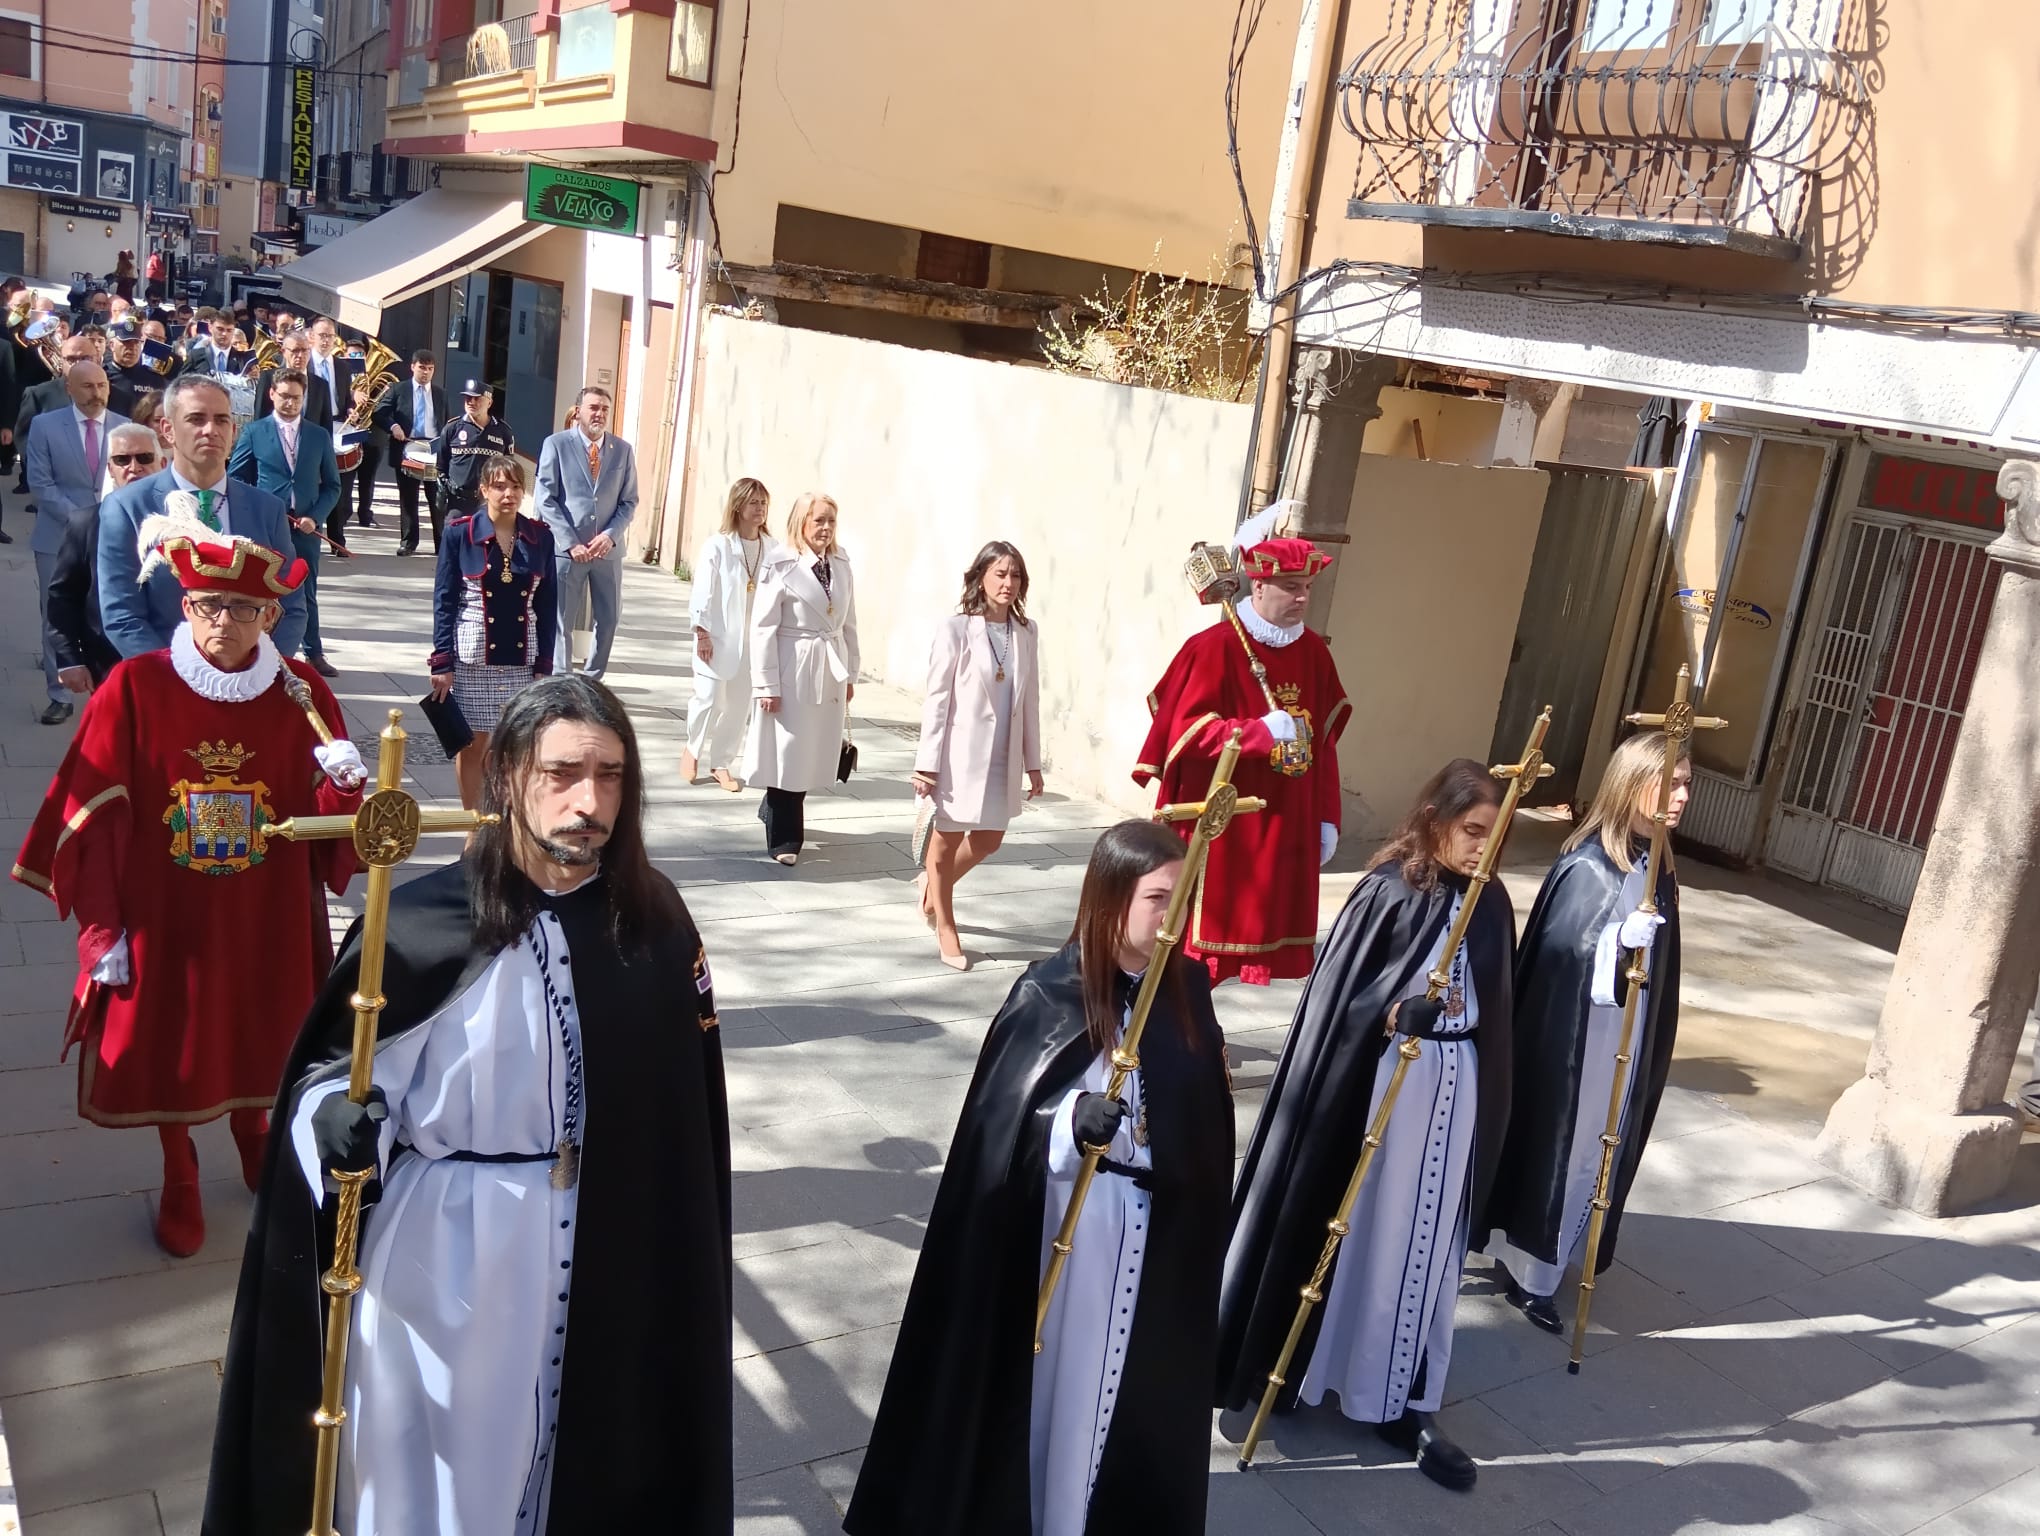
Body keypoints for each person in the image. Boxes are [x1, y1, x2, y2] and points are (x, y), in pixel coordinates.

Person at [204, 675, 734, 1536]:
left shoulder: (653, 923)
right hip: (447, 1262)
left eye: (609, 776)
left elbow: (685, 1116)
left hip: (611, 1245)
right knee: (439, 1483)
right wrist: (332, 1123)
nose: (588, 802)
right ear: (510, 776)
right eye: (562, 773)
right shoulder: (420, 924)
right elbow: (331, 1078)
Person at [846, 819, 1233, 1536]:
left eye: (1185, 896)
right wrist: (1065, 1120)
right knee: (1062, 1395)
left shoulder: (1185, 986)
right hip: (1068, 1235)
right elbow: (1000, 1129)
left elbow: (1203, 1116)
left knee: (1131, 1395)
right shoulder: (1048, 992)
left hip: (1153, 1237)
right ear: (1111, 900)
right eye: (1158, 898)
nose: (1174, 915)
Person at [12, 530, 364, 1256]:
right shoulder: (135, 686)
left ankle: (254, 1131)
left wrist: (344, 786)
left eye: (242, 608)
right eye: (207, 605)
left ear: (271, 616)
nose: (222, 622)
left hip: (268, 910)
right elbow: (92, 815)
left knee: (266, 1027)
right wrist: (101, 928)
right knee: (170, 1038)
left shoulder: (302, 691)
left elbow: (333, 830)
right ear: (185, 605)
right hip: (165, 911)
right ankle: (179, 1168)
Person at [1216, 759, 1517, 1492]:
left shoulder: (1492, 902)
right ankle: (1301, 1368)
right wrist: (1392, 1015)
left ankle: (1402, 1399)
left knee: (1424, 1248)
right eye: (1473, 829)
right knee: (1363, 1237)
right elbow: (1337, 1010)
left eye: (1496, 834)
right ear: (1436, 820)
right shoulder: (1388, 891)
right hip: (1384, 1094)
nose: (1483, 846)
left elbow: (1500, 1010)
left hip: (1456, 1089)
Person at [1484, 733, 1690, 1332]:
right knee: (1567, 1147)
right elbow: (1560, 955)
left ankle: (1555, 1251)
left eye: (1687, 784)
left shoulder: (1656, 865)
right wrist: (1615, 943)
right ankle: (1531, 1277)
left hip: (1624, 1033)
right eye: (1671, 783)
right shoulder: (1589, 866)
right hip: (1579, 1041)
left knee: (1601, 1146)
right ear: (1632, 785)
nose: (1682, 796)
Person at [1134, 531, 1350, 984]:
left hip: (1283, 821)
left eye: (1307, 587)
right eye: (1291, 586)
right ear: (1259, 585)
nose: (1302, 598)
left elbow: (1323, 746)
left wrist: (1327, 816)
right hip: (1221, 822)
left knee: (1257, 933)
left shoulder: (1314, 652)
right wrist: (1256, 733)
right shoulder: (1213, 647)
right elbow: (1185, 735)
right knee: (1191, 954)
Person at [99, 374, 308, 660]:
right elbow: (122, 615)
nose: (210, 430)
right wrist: (181, 675)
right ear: (168, 430)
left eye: (221, 420)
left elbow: (292, 606)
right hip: (164, 675)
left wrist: (262, 669)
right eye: (196, 419)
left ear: (233, 431)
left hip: (250, 677)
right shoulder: (127, 507)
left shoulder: (267, 509)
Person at [912, 541, 1045, 971]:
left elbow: (1030, 702)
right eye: (1000, 574)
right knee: (946, 841)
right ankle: (945, 924)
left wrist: (1033, 762)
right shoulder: (956, 629)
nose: (1008, 583)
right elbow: (937, 700)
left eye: (1015, 575)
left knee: (989, 840)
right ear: (981, 577)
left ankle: (931, 889)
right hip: (958, 755)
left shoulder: (1026, 632)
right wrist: (926, 764)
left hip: (1004, 755)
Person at [430, 455, 558, 809]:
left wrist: (545, 662)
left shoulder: (540, 537)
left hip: (521, 658)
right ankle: (474, 825)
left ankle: (506, 822)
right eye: (499, 486)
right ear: (484, 489)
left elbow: (548, 606)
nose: (508, 494)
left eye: (516, 486)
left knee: (516, 747)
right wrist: (442, 661)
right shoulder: (460, 533)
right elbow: (444, 599)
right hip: (474, 657)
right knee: (472, 746)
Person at [740, 492, 858, 866]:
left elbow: (849, 623)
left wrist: (851, 674)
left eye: (831, 521)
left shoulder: (841, 562)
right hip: (792, 666)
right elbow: (762, 629)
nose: (825, 528)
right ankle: (785, 837)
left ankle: (772, 809)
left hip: (829, 665)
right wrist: (766, 684)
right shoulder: (780, 563)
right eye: (818, 520)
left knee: (811, 751)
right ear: (801, 522)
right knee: (788, 751)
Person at [26, 362, 129, 723]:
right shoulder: (45, 426)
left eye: (101, 385)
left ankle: (114, 690)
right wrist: (84, 520)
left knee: (109, 612)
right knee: (56, 613)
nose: (96, 393)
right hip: (58, 536)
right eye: (87, 386)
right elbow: (41, 485)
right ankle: (59, 694)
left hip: (114, 538)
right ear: (68, 388)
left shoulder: (125, 428)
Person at [229, 367, 344, 677]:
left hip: (305, 529)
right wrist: (256, 512)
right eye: (284, 396)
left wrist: (315, 517)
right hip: (266, 528)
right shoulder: (255, 432)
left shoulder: (318, 435)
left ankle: (314, 652)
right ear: (272, 394)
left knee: (306, 592)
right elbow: (235, 478)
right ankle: (256, 648)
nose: (290, 403)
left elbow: (333, 486)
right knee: (261, 588)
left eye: (296, 397)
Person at [47, 421, 159, 694]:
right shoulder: (85, 523)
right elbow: (63, 595)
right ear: (110, 469)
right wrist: (69, 660)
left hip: (173, 660)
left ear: (163, 463)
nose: (134, 467)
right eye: (122, 460)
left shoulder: (185, 522)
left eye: (145, 458)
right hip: (107, 664)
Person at [535, 385, 637, 677]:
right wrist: (569, 542)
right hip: (569, 551)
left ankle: (593, 678)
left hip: (607, 552)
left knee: (609, 619)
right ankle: (562, 679)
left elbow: (629, 501)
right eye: (594, 408)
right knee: (561, 620)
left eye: (605, 409)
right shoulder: (556, 445)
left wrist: (610, 535)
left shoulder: (622, 450)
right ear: (578, 411)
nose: (599, 414)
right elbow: (546, 498)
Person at [682, 476, 775, 792]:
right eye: (753, 502)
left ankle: (721, 763)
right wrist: (702, 632)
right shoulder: (718, 545)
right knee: (707, 698)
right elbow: (703, 591)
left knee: (738, 706)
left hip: (754, 642)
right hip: (718, 637)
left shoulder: (773, 548)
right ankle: (692, 748)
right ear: (738, 506)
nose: (760, 508)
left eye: (763, 503)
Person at [373, 349, 447, 555]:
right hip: (407, 447)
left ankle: (441, 544)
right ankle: (409, 542)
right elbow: (378, 413)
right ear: (413, 367)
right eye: (422, 368)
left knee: (438, 499)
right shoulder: (399, 389)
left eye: (430, 369)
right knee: (408, 499)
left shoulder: (441, 394)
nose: (426, 373)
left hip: (433, 449)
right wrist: (393, 426)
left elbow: (445, 422)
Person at [436, 378, 515, 533]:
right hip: (457, 503)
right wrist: (443, 489)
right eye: (468, 398)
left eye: (477, 398)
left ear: (489, 402)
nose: (471, 402)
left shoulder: (503, 431)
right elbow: (441, 465)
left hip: (488, 503)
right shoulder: (452, 428)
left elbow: (508, 469)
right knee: (453, 542)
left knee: (485, 544)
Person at [254, 328, 334, 432]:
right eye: (295, 351)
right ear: (283, 351)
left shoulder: (321, 385)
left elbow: (326, 426)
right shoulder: (268, 378)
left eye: (304, 350)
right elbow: (260, 418)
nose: (300, 356)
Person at [343, 371, 387, 531]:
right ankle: (343, 513)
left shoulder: (377, 378)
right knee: (346, 477)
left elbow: (386, 404)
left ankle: (365, 514)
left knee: (368, 477)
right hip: (346, 431)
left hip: (371, 434)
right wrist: (353, 394)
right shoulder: (340, 372)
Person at [104, 317, 158, 417]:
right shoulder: (103, 375)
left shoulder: (153, 376)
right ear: (112, 345)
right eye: (126, 342)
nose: (132, 347)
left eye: (136, 342)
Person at [180, 309, 246, 377]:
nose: (224, 334)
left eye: (229, 330)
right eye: (220, 329)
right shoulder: (195, 355)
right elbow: (182, 380)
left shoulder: (242, 358)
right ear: (210, 327)